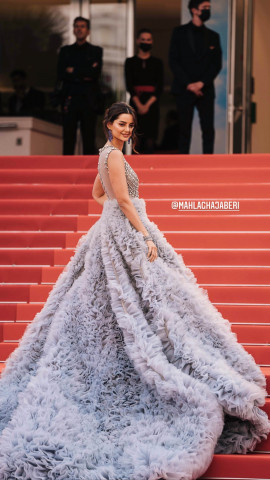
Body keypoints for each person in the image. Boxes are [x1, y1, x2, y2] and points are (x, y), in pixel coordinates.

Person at [0, 101, 269, 479]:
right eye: (121, 123)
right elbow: (122, 199)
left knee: (120, 300)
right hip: (125, 230)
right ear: (109, 124)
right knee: (139, 297)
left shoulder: (106, 155)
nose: (127, 129)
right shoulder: (112, 155)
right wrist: (142, 233)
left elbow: (100, 194)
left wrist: (115, 211)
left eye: (130, 125)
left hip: (110, 228)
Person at [169, 0, 222, 154]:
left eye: (209, 8)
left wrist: (201, 83)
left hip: (205, 90)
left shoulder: (213, 36)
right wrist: (189, 84)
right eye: (204, 8)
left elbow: (216, 65)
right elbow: (173, 61)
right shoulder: (179, 32)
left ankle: (208, 165)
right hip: (184, 89)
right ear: (194, 10)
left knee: (208, 130)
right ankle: (182, 164)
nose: (207, 10)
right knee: (183, 129)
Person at [56, 16, 103, 155]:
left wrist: (74, 70)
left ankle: (88, 174)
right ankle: (66, 172)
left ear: (88, 31)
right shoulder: (65, 51)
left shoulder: (96, 51)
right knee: (68, 138)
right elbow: (61, 74)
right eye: (77, 26)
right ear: (73, 30)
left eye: (82, 26)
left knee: (89, 138)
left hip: (89, 100)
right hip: (70, 98)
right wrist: (85, 71)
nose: (79, 29)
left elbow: (95, 73)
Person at [125, 28, 163, 153]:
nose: (146, 42)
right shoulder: (130, 62)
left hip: (151, 104)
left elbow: (160, 87)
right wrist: (139, 105)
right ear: (137, 41)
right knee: (135, 138)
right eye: (143, 39)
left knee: (150, 139)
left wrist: (146, 105)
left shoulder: (158, 63)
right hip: (135, 103)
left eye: (148, 40)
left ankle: (150, 170)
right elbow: (129, 85)